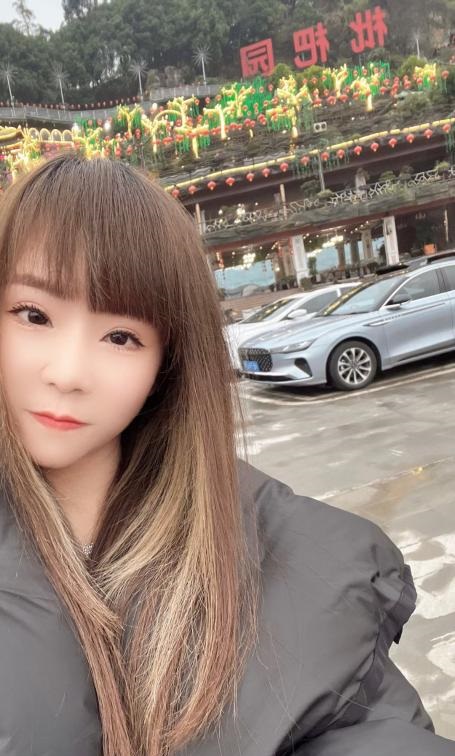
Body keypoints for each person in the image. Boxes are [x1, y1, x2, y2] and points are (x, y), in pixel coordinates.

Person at [0, 154, 453, 756]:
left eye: (121, 336)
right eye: (34, 315)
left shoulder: (296, 563)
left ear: (167, 365)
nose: (68, 372)